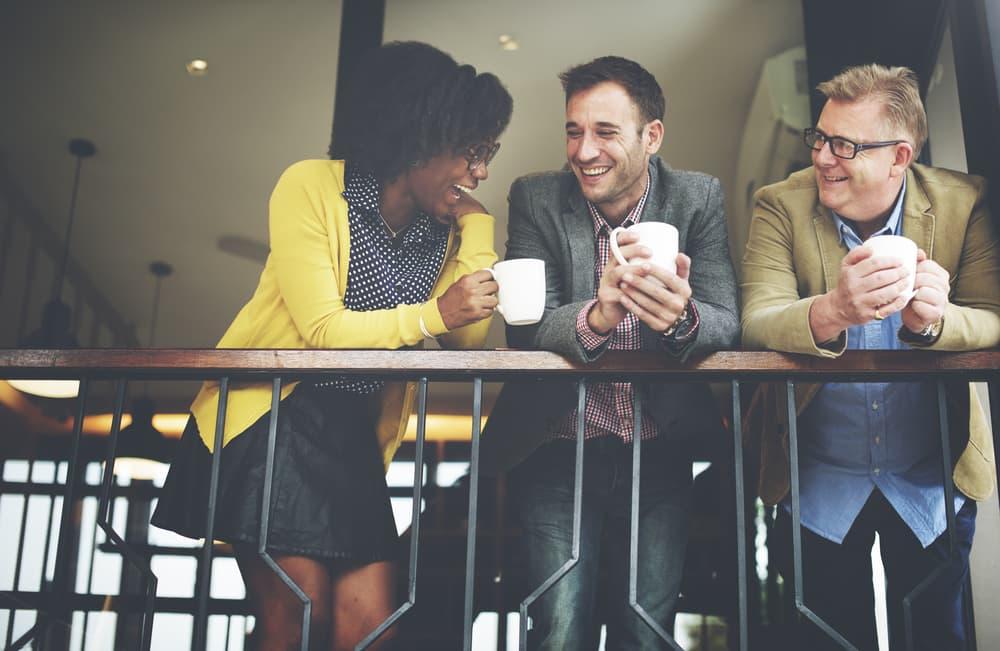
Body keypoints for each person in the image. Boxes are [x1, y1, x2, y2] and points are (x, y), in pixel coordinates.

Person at [151, 41, 512, 651]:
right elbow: (322, 329)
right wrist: (432, 313)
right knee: (298, 619)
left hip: (352, 436)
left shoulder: (443, 226)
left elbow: (467, 333)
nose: (481, 171)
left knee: (371, 628)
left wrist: (479, 228)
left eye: (488, 153)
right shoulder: (313, 186)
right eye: (473, 151)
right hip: (274, 420)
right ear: (420, 136)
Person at [481, 56, 739, 649]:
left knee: (646, 632)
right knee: (559, 627)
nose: (583, 150)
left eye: (604, 132)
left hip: (661, 448)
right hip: (556, 446)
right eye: (574, 130)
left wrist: (681, 317)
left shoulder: (697, 197)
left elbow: (728, 321)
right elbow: (527, 328)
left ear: (652, 136)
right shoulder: (537, 197)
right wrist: (598, 316)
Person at [741, 63, 1000, 650]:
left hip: (930, 483)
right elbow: (756, 317)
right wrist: (832, 310)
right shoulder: (779, 205)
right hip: (817, 482)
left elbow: (991, 314)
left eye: (845, 145)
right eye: (821, 138)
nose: (824, 158)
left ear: (900, 156)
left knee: (940, 639)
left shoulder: (964, 202)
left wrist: (934, 321)